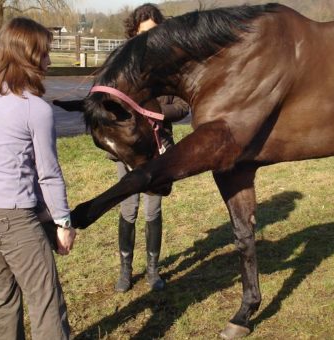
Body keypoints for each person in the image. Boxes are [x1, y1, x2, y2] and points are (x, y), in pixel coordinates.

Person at [0, 17, 76, 340]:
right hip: (9, 216)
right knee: (46, 300)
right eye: (44, 54)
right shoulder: (36, 109)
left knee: (2, 293)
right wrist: (63, 223)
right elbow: (48, 174)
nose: (49, 62)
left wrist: (45, 215)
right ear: (28, 55)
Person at [112, 3, 190, 293]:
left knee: (152, 208)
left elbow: (183, 105)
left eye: (154, 32)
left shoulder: (172, 66)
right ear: (133, 33)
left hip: (159, 148)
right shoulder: (122, 65)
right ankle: (125, 270)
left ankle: (153, 271)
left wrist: (154, 113)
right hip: (129, 148)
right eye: (143, 33)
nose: (149, 39)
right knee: (128, 208)